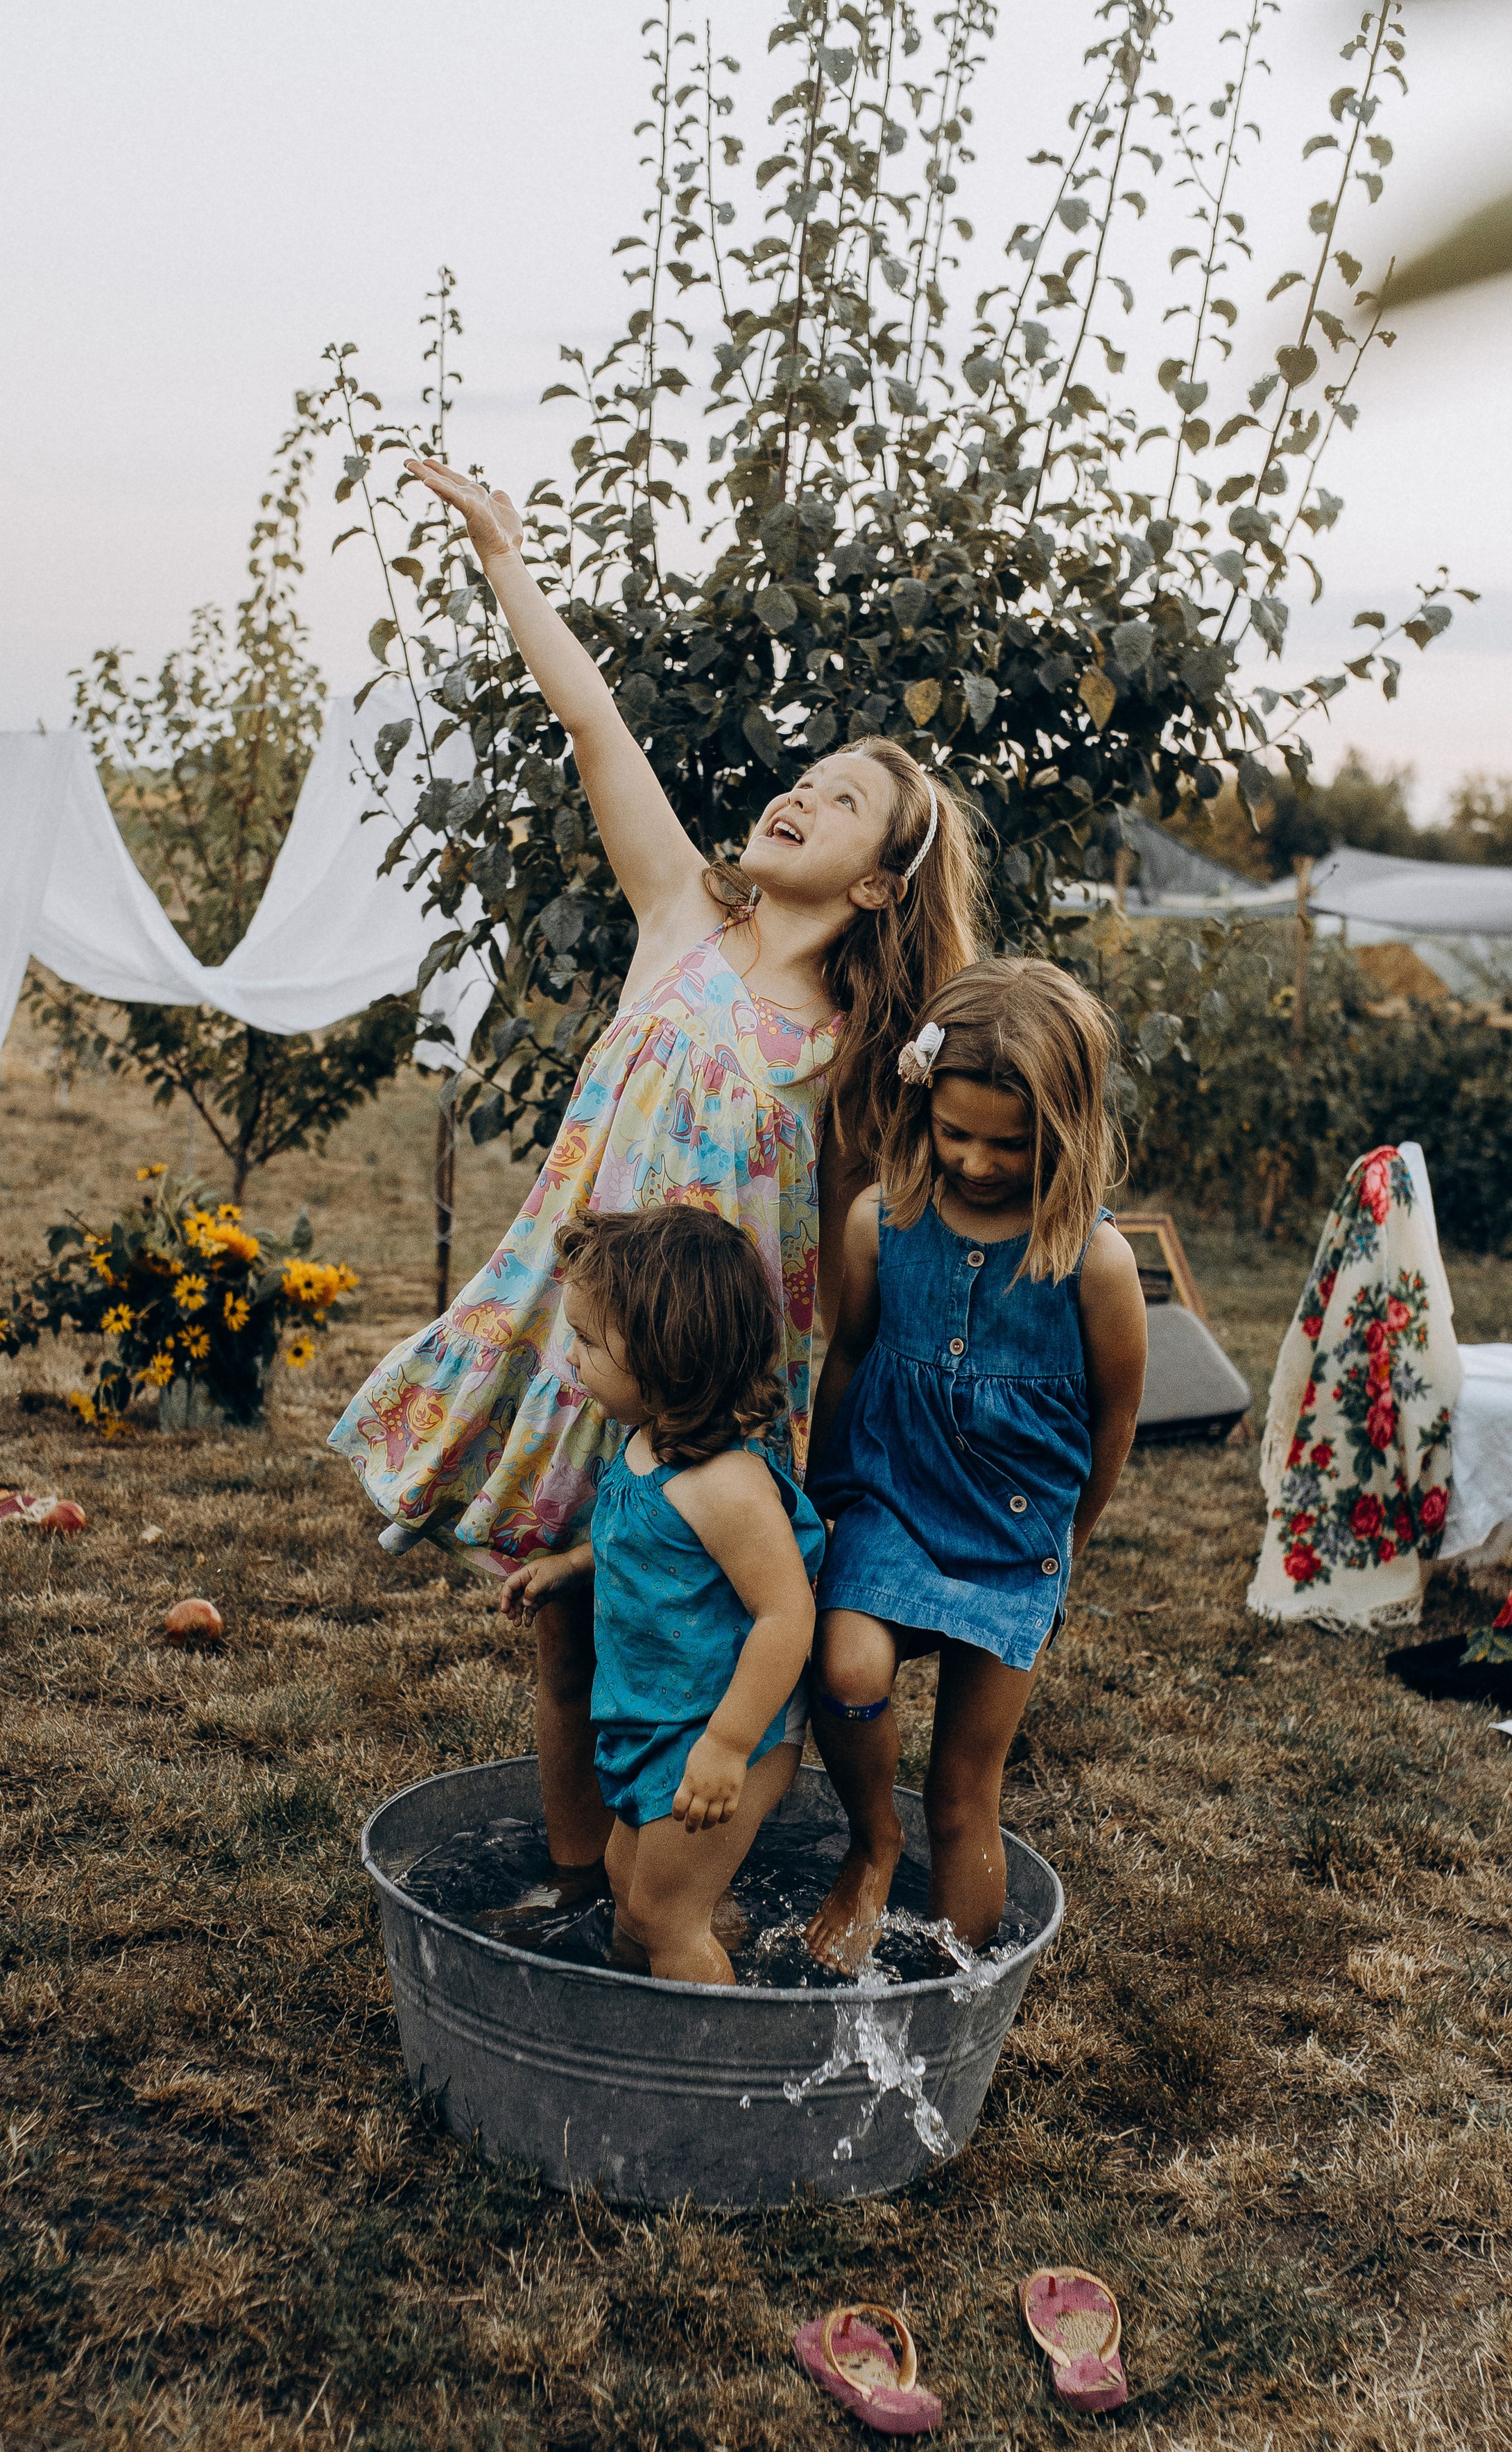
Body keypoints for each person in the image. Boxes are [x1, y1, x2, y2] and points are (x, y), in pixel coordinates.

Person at [328, 452, 986, 1878]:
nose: (801, 797)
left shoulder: (861, 1048)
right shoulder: (682, 917)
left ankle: (684, 1868)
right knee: (566, 1630)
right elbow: (593, 722)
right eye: (802, 779)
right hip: (594, 1333)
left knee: (697, 1624)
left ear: (879, 882)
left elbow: (921, 1193)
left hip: (723, 1382)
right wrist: (507, 559)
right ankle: (584, 1890)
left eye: (843, 803)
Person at [802, 959, 1149, 1964]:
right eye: (957, 1134)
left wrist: (1064, 1542)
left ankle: (955, 1988)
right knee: (848, 1665)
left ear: (1069, 1126)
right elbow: (852, 1357)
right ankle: (873, 1842)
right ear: (924, 1109)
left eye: (1012, 1142)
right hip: (891, 1502)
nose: (980, 1162)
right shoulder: (882, 1221)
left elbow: (1113, 1420)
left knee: (965, 1791)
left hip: (1015, 1538)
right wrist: (827, 1496)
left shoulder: (1094, 1262)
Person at [499, 1206, 825, 1986]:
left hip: (717, 1732)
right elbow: (647, 1542)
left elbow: (788, 1617)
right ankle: (645, 2004)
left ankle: (724, 2082)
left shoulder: (728, 1486)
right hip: (657, 1720)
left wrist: (727, 1747)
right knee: (627, 1886)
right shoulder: (646, 1441)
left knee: (660, 1917)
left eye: (587, 1341)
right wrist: (573, 1567)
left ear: (663, 1355)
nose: (571, 1357)